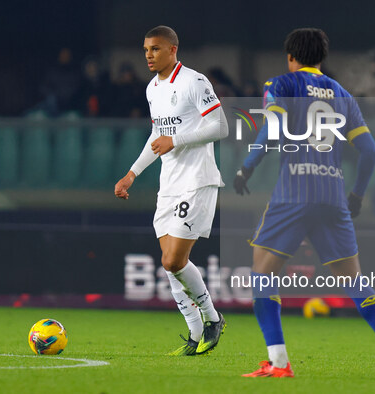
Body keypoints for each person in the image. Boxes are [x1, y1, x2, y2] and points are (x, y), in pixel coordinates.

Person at [234, 28, 375, 379]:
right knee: (355, 280)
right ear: (322, 58)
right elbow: (369, 150)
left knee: (262, 271)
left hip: (295, 192)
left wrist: (247, 167)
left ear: (291, 57)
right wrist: (357, 194)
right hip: (333, 194)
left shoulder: (282, 84)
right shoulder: (342, 94)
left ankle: (279, 363)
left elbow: (272, 127)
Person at [114, 26, 228, 356]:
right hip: (169, 184)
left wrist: (175, 140)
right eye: (146, 49)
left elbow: (221, 125)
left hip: (197, 180)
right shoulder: (152, 89)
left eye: (155, 49)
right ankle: (195, 335)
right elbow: (157, 136)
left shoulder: (194, 82)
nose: (148, 54)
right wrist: (132, 174)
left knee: (173, 258)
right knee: (171, 265)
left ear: (172, 50)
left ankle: (212, 318)